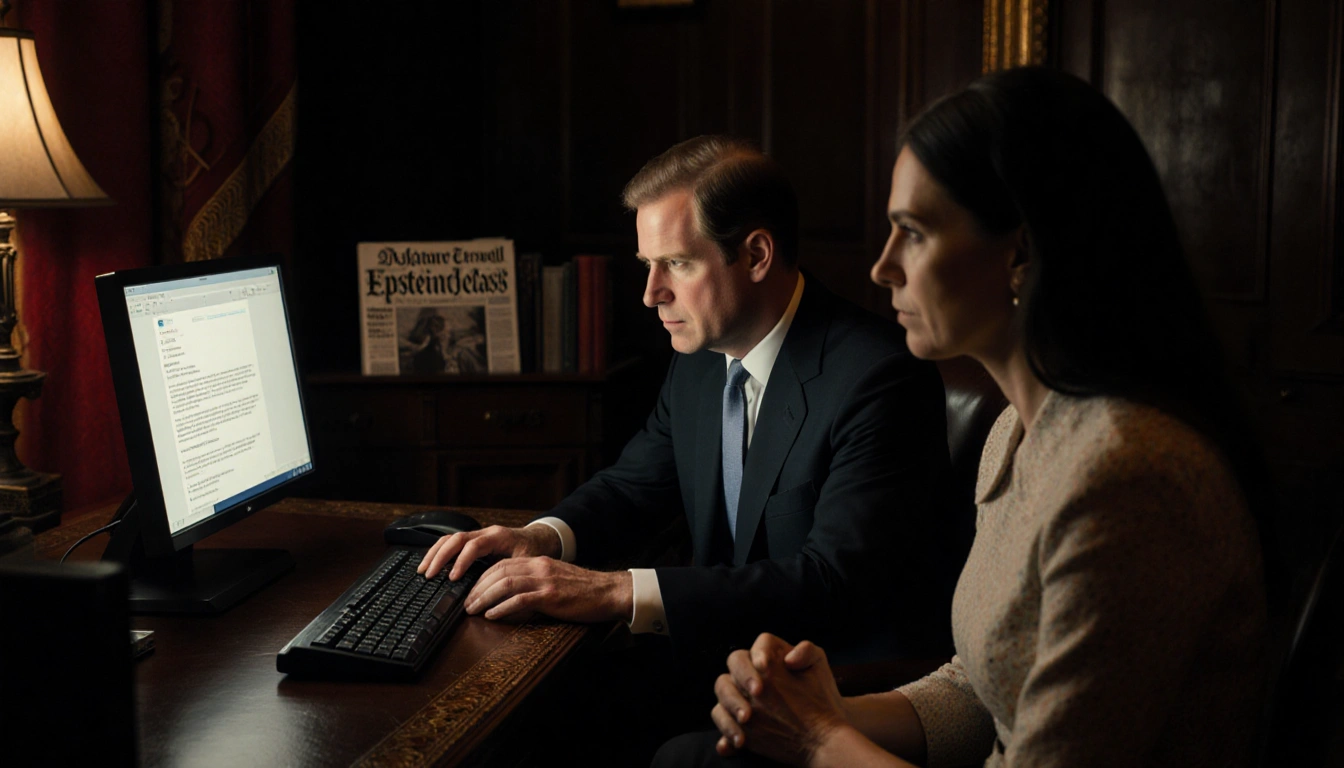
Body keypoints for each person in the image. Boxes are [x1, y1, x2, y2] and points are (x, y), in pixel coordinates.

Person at [660, 67, 1272, 767]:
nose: (882, 267)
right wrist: (818, 709)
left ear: (1020, 252)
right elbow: (982, 688)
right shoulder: (1016, 430)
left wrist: (817, 739)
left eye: (912, 232)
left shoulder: (1130, 474)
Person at [418, 136, 959, 760]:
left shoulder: (879, 377)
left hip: (830, 686)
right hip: (708, 653)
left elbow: (830, 583)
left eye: (676, 263)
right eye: (649, 264)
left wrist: (617, 592)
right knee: (525, 719)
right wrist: (542, 537)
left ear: (756, 254)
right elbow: (632, 487)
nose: (651, 293)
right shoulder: (702, 360)